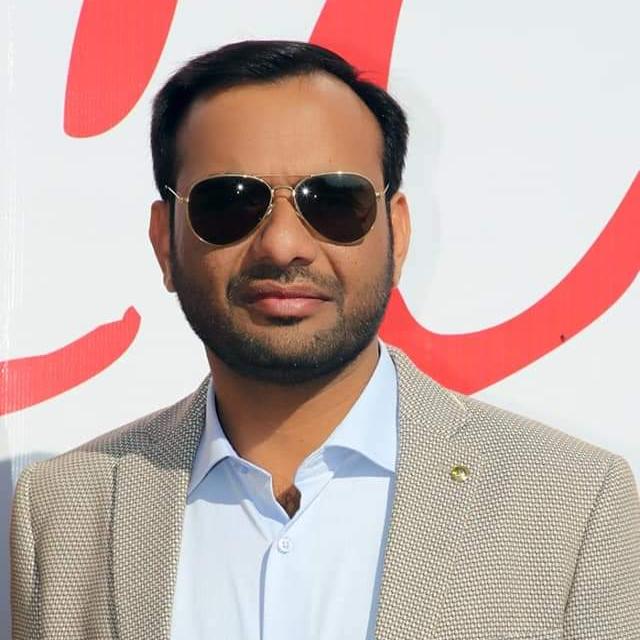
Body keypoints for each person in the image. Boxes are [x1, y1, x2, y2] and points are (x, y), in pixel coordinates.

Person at [10, 40, 640, 640]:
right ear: (164, 242)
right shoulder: (63, 512)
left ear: (397, 233)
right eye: (229, 203)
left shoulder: (575, 504)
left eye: (334, 202)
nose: (284, 244)